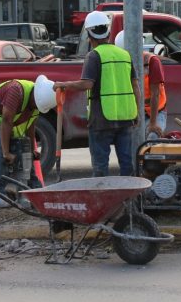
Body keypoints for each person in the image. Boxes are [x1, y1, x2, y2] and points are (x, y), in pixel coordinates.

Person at [53, 11, 142, 177]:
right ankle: (129, 201)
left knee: (101, 167)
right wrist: (136, 111)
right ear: (108, 32)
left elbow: (87, 84)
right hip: (125, 117)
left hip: (101, 120)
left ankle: (103, 199)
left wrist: (63, 85)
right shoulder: (125, 55)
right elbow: (136, 86)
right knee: (127, 165)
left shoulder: (94, 56)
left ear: (89, 34)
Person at [0, 75, 57, 208]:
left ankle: (32, 191)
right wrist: (6, 152)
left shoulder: (35, 105)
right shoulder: (16, 90)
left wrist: (31, 151)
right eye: (36, 104)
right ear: (35, 97)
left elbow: (30, 128)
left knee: (22, 145)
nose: (36, 107)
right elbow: (6, 121)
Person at [114, 30, 167, 140]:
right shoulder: (120, 64)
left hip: (155, 111)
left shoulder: (152, 62)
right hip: (134, 111)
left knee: (152, 138)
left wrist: (153, 123)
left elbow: (155, 94)